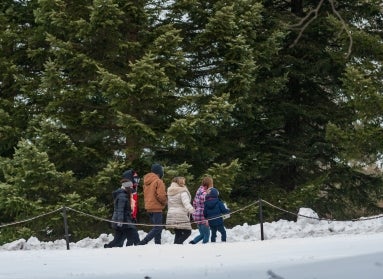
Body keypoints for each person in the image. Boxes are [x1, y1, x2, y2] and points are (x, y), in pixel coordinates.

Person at [104, 170, 140, 248]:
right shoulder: (122, 196)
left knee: (118, 240)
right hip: (123, 221)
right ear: (127, 187)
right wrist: (120, 221)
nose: (132, 188)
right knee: (133, 236)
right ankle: (137, 248)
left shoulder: (125, 195)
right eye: (130, 187)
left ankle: (108, 247)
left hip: (125, 220)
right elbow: (120, 210)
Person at [138, 163, 167, 245]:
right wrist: (165, 201)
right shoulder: (158, 181)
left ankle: (158, 243)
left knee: (157, 227)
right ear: (159, 172)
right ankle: (143, 242)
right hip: (156, 208)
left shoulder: (147, 181)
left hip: (149, 207)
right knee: (158, 227)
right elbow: (161, 195)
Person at [166, 176, 195, 244]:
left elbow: (169, 204)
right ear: (180, 183)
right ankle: (177, 244)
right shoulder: (182, 191)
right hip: (180, 214)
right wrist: (193, 211)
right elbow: (186, 203)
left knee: (178, 233)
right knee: (188, 232)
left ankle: (176, 247)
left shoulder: (170, 191)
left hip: (171, 213)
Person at [189, 176, 214, 244]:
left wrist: (196, 211)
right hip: (203, 216)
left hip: (197, 215)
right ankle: (204, 248)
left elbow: (194, 202)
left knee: (202, 234)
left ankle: (192, 243)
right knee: (207, 235)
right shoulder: (205, 193)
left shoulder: (199, 191)